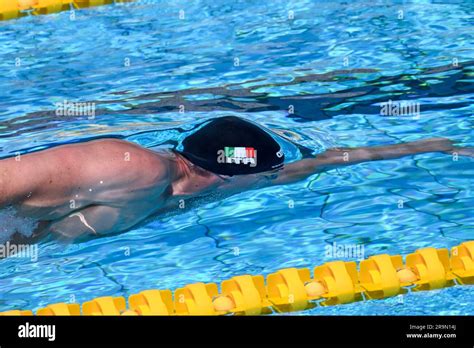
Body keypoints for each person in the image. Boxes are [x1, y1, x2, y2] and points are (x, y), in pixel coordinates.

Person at [0, 116, 471, 244]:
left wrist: (427, 146)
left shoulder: (207, 181)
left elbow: (323, 162)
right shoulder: (128, 166)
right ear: (218, 174)